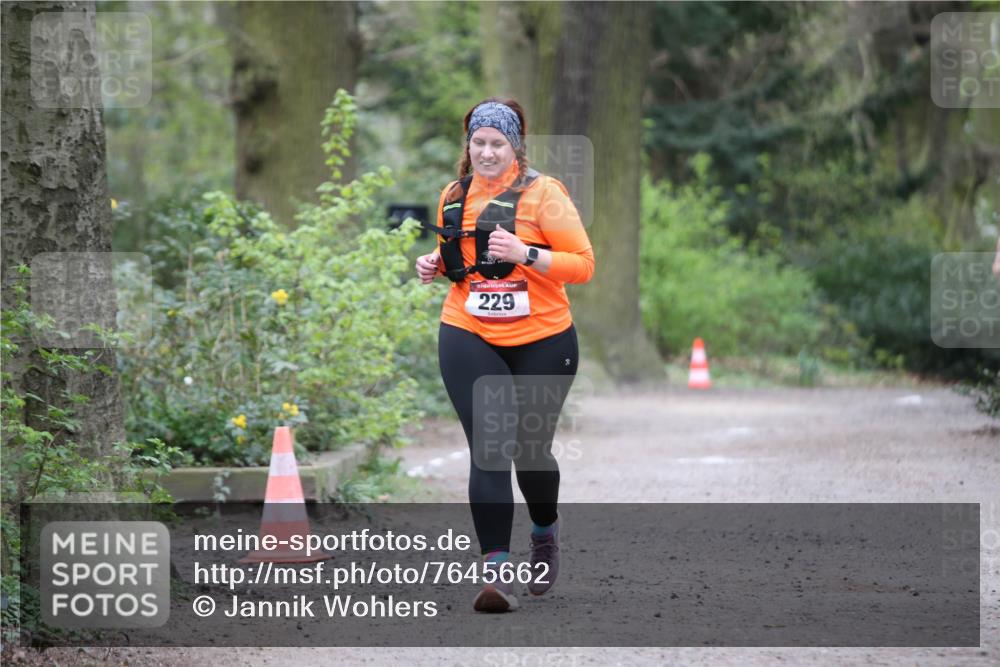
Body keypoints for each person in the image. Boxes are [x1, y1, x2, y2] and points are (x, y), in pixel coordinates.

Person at [414, 98, 595, 612]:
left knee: (529, 453)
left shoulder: (545, 194)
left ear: (515, 146)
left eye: (498, 143)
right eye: (479, 143)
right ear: (468, 147)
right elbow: (461, 266)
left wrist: (526, 254)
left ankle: (544, 531)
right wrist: (434, 264)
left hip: (544, 338)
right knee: (490, 448)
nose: (488, 152)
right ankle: (495, 575)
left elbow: (583, 265)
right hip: (469, 332)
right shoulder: (455, 194)